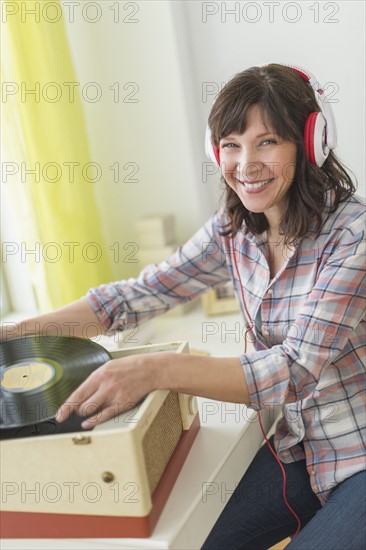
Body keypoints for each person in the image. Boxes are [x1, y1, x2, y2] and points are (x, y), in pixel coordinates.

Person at [1, 64, 365, 549]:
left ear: (310, 143)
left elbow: (294, 370)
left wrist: (159, 369)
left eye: (268, 142)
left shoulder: (353, 235)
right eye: (231, 145)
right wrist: (18, 333)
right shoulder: (234, 228)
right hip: (298, 450)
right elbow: (136, 295)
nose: (245, 164)